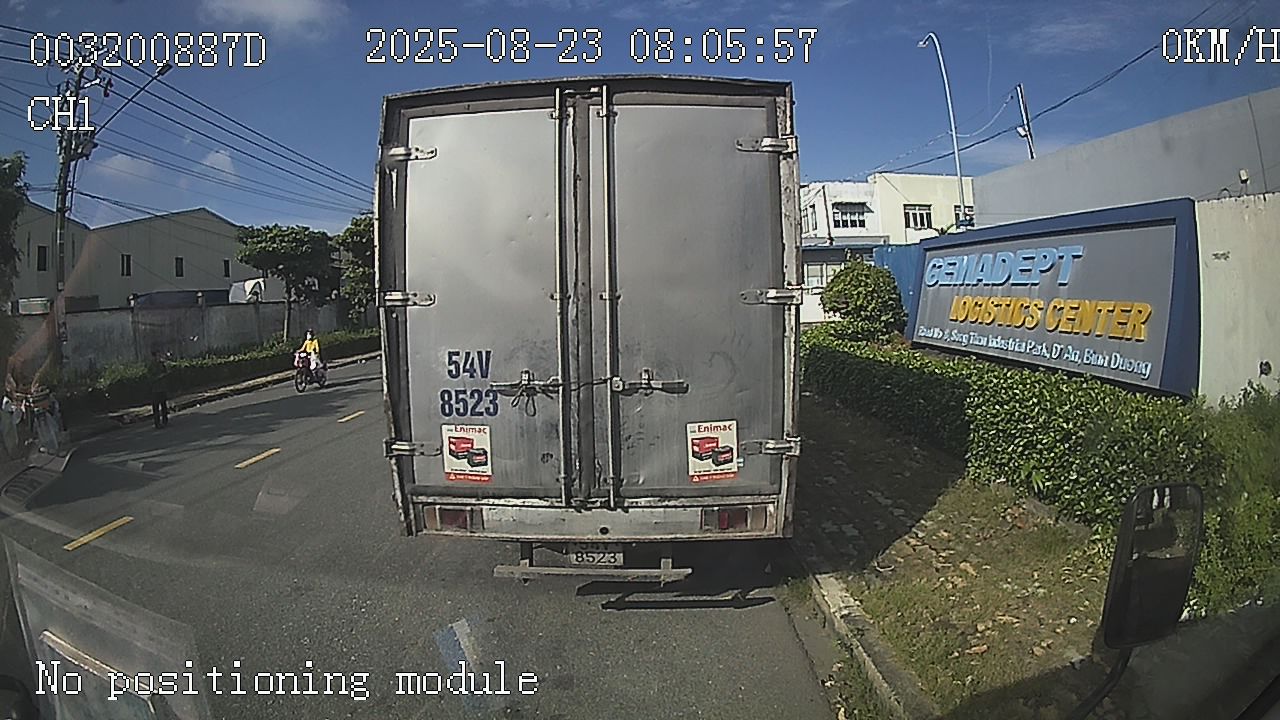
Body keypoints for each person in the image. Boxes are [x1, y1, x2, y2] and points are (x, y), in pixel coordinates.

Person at [148, 349, 170, 428]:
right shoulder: (151, 366)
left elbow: (166, 372)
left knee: (164, 405)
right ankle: (157, 423)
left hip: (162, 388)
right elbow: (150, 378)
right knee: (156, 407)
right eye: (157, 355)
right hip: (155, 389)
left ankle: (165, 420)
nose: (159, 357)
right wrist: (159, 377)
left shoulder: (161, 364)